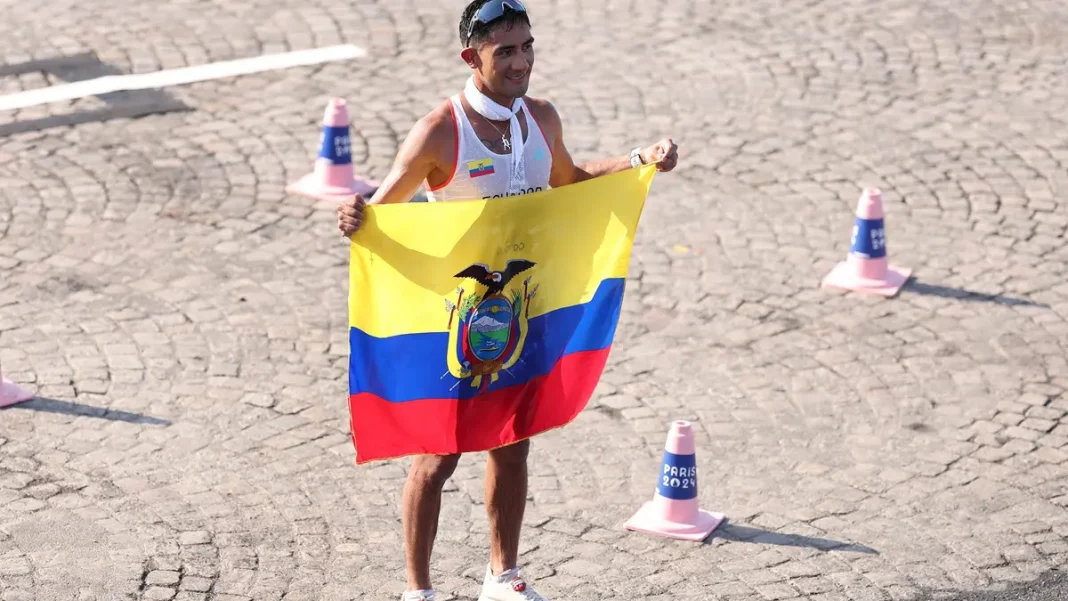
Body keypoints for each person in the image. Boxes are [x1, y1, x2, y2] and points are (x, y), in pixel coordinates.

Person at [336, 1, 679, 599]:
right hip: (457, 324)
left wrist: (635, 161)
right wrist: (355, 215)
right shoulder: (441, 130)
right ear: (472, 57)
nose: (521, 62)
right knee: (437, 458)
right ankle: (418, 592)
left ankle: (503, 576)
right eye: (505, 52)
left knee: (513, 441)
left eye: (527, 47)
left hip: (521, 311)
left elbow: (568, 182)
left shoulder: (541, 118)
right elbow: (383, 211)